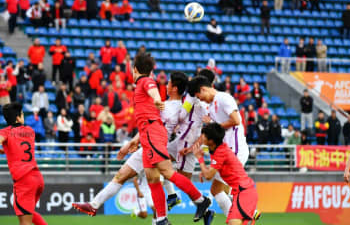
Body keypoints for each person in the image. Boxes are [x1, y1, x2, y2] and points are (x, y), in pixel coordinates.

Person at [74, 54, 212, 225]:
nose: (166, 84)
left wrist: (155, 99)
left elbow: (153, 99)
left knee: (164, 173)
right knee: (141, 177)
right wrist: (132, 142)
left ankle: (199, 200)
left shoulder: (156, 95)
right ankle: (95, 205)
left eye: (169, 83)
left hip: (155, 141)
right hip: (150, 140)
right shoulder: (176, 105)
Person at [187, 75, 250, 218]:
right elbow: (211, 133)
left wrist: (215, 127)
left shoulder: (223, 98)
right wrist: (191, 149)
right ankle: (241, 213)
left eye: (200, 96)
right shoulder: (212, 105)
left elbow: (236, 120)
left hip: (235, 150)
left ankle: (239, 215)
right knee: (218, 189)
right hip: (227, 152)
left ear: (203, 89)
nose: (201, 100)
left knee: (217, 189)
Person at [193, 123, 259, 225]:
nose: (201, 137)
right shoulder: (219, 149)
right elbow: (211, 171)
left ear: (211, 141)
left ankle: (249, 213)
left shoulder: (220, 152)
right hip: (242, 192)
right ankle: (250, 214)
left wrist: (200, 159)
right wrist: (205, 169)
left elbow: (208, 176)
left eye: (204, 135)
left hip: (243, 192)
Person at [0, 103, 47, 225]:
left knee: (24, 222)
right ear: (17, 118)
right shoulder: (30, 131)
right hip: (37, 178)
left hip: (23, 180)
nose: (24, 116)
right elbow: (17, 148)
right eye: (22, 114)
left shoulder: (5, 132)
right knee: (29, 212)